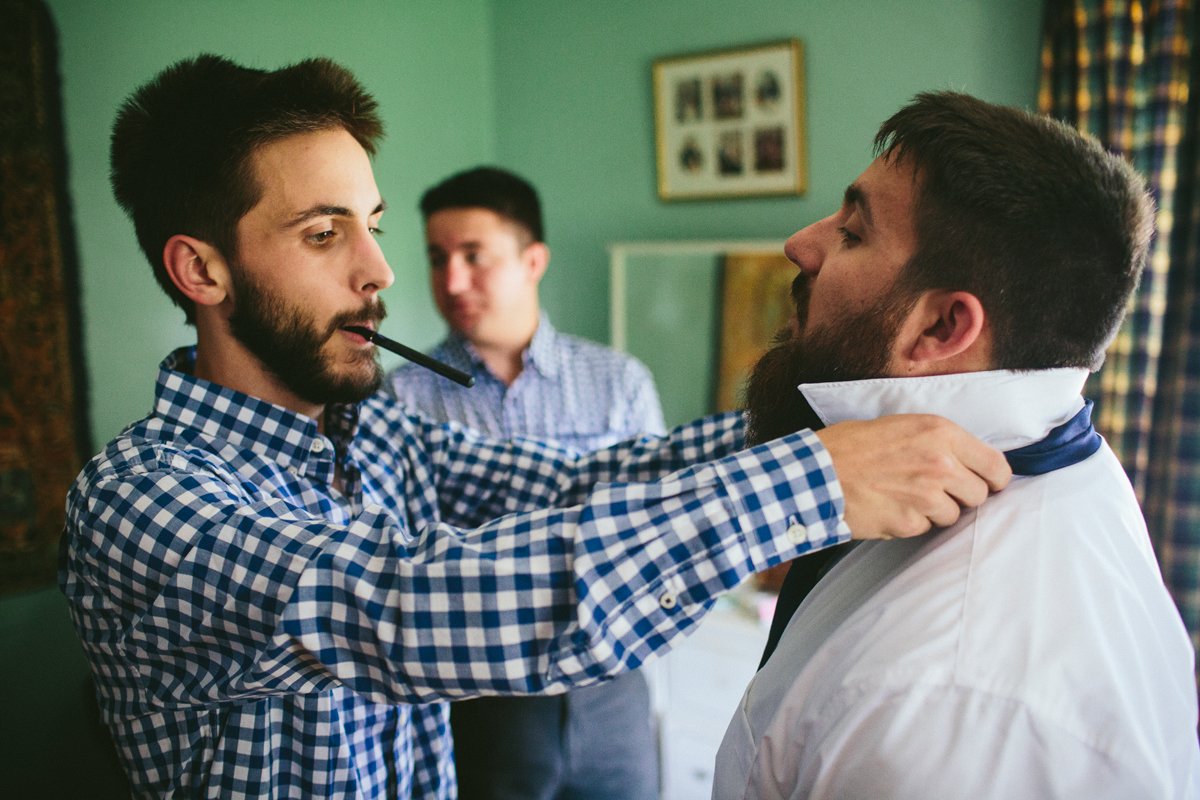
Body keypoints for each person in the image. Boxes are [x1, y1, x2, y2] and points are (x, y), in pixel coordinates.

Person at [58, 55, 1010, 800]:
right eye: (322, 234)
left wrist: (829, 418)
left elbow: (579, 479)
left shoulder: (376, 434)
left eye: (372, 225)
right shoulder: (144, 501)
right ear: (203, 271)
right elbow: (415, 602)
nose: (381, 273)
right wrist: (812, 481)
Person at [712, 91, 1200, 799]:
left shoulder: (942, 698)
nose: (800, 245)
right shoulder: (1054, 458)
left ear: (942, 329)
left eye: (852, 233)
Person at [386, 167, 666, 799]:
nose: (452, 280)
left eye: (473, 256)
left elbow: (650, 532)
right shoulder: (399, 398)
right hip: (483, 700)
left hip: (611, 688)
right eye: (437, 258)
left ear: (532, 259)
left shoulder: (619, 383)